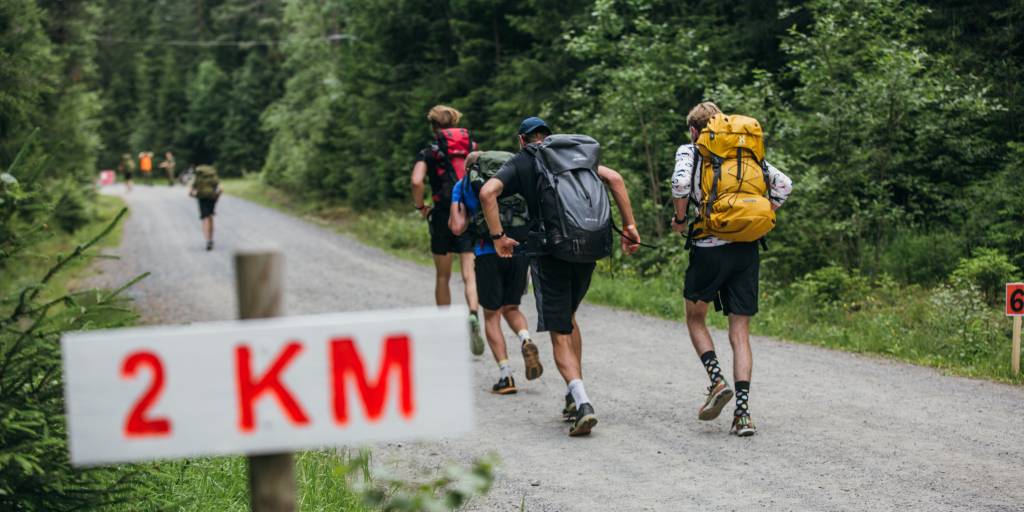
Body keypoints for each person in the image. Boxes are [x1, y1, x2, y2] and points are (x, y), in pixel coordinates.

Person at [480, 117, 641, 436]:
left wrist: (498, 236)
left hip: (550, 252)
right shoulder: (573, 154)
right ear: (549, 137)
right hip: (587, 248)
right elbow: (616, 179)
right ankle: (572, 393)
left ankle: (582, 402)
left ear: (522, 140)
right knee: (568, 317)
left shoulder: (524, 159)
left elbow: (488, 193)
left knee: (558, 328)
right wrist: (630, 227)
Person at [670, 101, 793, 437]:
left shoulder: (692, 150)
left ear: (695, 130)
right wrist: (755, 217)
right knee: (740, 331)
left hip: (709, 247)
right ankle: (742, 415)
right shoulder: (747, 153)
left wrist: (681, 220)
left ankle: (716, 379)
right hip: (746, 251)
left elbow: (681, 186)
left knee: (695, 317)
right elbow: (784, 186)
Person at [448, 151, 543, 394]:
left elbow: (457, 228)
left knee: (492, 315)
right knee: (512, 307)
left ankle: (506, 376)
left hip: (487, 252)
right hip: (519, 249)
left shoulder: (464, 184)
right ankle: (525, 339)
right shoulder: (508, 178)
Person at [410, 105, 485, 354]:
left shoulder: (429, 152)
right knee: (469, 273)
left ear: (433, 127)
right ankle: (473, 313)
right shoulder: (472, 148)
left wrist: (422, 206)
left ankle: (445, 329)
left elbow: (416, 181)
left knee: (443, 276)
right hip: (468, 213)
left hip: (442, 213)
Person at [190, 164, 222, 251]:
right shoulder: (212, 177)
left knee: (205, 218)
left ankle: (207, 240)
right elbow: (220, 189)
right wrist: (216, 198)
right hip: (212, 198)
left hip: (202, 198)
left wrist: (195, 195)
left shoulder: (198, 177)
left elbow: (190, 192)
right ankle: (211, 239)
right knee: (210, 217)